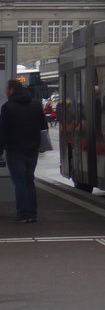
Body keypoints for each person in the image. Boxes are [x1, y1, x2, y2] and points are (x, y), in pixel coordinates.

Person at [0, 78, 49, 223]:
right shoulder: (36, 105)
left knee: (20, 182)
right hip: (32, 149)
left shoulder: (7, 107)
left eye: (6, 89)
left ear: (11, 90)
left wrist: (0, 149)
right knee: (29, 181)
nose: (5, 91)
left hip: (15, 150)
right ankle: (32, 214)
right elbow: (43, 125)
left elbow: (3, 131)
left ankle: (22, 213)